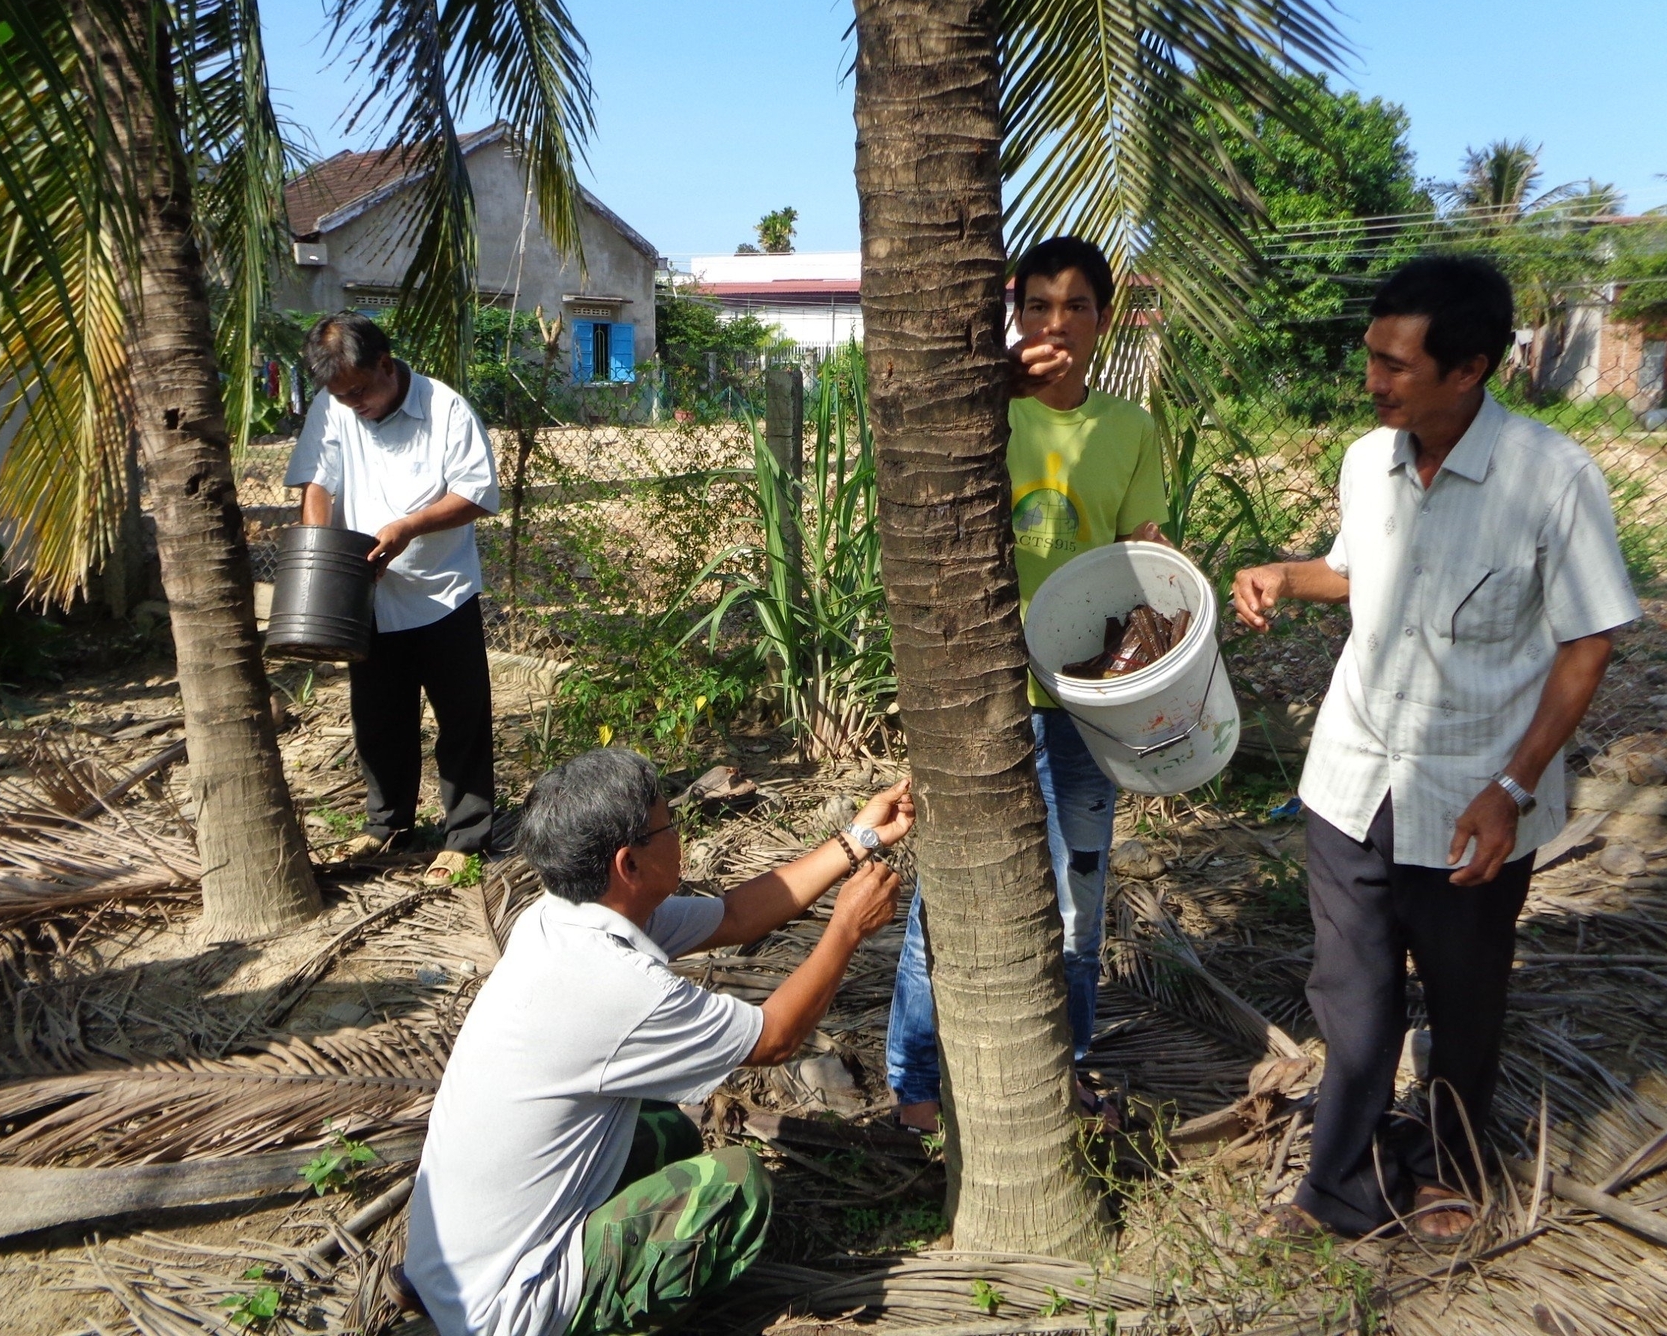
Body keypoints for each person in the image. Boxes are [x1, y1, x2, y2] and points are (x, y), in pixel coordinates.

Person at [1232, 255, 1638, 1243]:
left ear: (1469, 370)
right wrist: (1285, 575)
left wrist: (1513, 784)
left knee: (1463, 1004)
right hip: (1348, 782)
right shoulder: (1369, 460)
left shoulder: (1551, 478)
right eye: (1371, 356)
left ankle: (1451, 1165)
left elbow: (1590, 640)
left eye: (1395, 365)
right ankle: (1340, 1187)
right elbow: (1351, 571)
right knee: (1355, 1005)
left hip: (1475, 805)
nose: (1371, 380)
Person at [402, 748, 910, 1336]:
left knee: (670, 1130)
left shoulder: (561, 917)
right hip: (511, 1309)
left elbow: (737, 916)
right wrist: (846, 928)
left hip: (453, 1273)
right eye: (668, 826)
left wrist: (859, 839)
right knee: (734, 1187)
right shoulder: (618, 986)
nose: (680, 837)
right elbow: (774, 1039)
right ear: (630, 864)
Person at [884, 235, 1168, 1133]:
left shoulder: (1127, 428)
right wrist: (993, 387)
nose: (1055, 324)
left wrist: (1168, 593)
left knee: (1081, 904)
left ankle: (1070, 1064)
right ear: (1015, 314)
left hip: (1087, 705)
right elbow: (911, 456)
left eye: (1075, 306)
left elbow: (1141, 548)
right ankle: (917, 1083)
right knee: (953, 895)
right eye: (1037, 305)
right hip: (984, 701)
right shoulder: (979, 412)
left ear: (1103, 321)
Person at [286, 312, 501, 862]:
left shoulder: (445, 409)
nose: (353, 404)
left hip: (442, 593)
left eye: (359, 390)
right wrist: (319, 555)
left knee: (462, 719)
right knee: (379, 718)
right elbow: (318, 481)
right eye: (342, 396)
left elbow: (476, 493)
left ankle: (466, 838)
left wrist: (408, 527)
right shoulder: (332, 406)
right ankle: (387, 828)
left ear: (386, 364)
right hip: (369, 596)